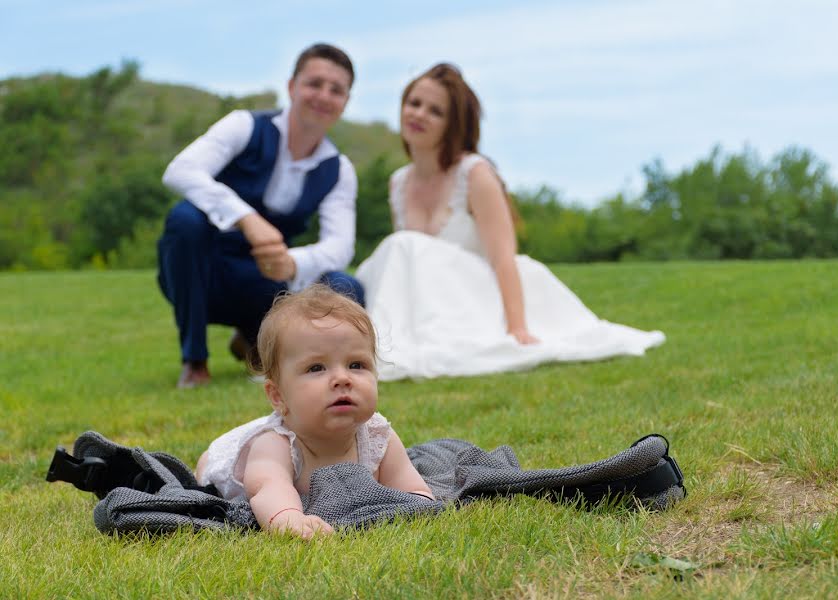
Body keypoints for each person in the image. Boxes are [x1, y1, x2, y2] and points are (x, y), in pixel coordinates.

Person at [355, 63, 665, 380]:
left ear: (453, 125)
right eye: (414, 103)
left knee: (402, 244)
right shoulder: (398, 183)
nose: (418, 114)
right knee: (399, 248)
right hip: (431, 306)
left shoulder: (475, 174)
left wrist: (517, 327)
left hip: (480, 293)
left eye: (435, 111)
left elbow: (504, 257)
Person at [157, 43, 364, 389]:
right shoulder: (245, 126)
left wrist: (292, 263)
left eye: (336, 90)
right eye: (314, 84)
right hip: (204, 275)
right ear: (291, 86)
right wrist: (245, 217)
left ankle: (258, 341)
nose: (323, 96)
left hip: (266, 282)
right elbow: (180, 170)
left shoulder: (339, 170)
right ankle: (194, 361)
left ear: (345, 101)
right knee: (185, 219)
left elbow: (340, 246)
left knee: (347, 287)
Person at [195, 285, 434, 538]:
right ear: (278, 396)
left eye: (356, 365)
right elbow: (268, 489)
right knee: (205, 470)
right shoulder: (276, 444)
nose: (342, 378)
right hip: (220, 460)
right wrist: (290, 518)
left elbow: (414, 492)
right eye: (317, 368)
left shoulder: (377, 435)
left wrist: (420, 508)